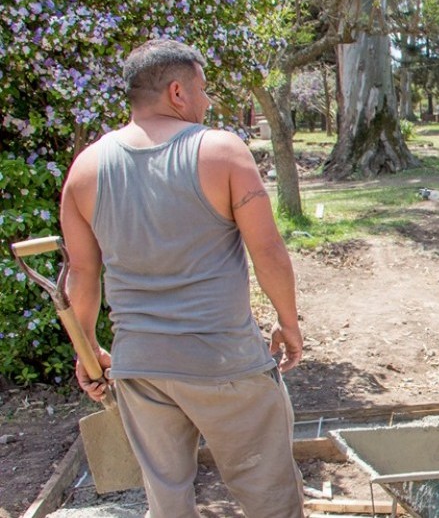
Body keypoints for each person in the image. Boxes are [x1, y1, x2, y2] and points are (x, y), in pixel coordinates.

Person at [60, 39, 305, 518]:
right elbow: (268, 251)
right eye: (202, 90)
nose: (207, 102)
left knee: (167, 503)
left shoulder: (85, 170)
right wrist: (289, 323)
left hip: (142, 369)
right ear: (177, 92)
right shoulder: (220, 151)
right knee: (269, 496)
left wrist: (87, 353)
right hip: (225, 362)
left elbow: (82, 277)